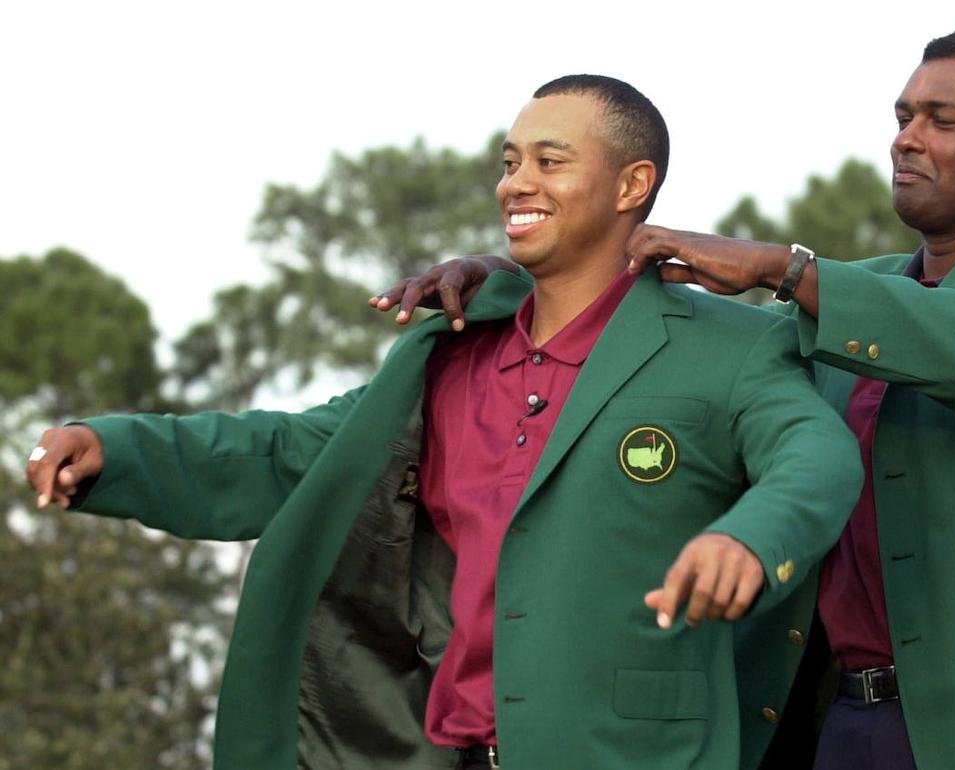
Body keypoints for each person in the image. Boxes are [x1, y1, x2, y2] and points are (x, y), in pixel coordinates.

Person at [377, 27, 955, 770]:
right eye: (903, 116)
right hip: (841, 721)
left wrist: (784, 268)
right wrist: (512, 276)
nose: (906, 138)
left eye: (942, 120)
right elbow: (667, 351)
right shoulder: (847, 296)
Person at [26, 76, 861, 770]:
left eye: (550, 161)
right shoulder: (452, 355)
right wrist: (116, 449)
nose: (516, 183)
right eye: (510, 162)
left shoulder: (732, 346)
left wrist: (752, 538)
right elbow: (294, 454)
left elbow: (816, 456)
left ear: (631, 185)